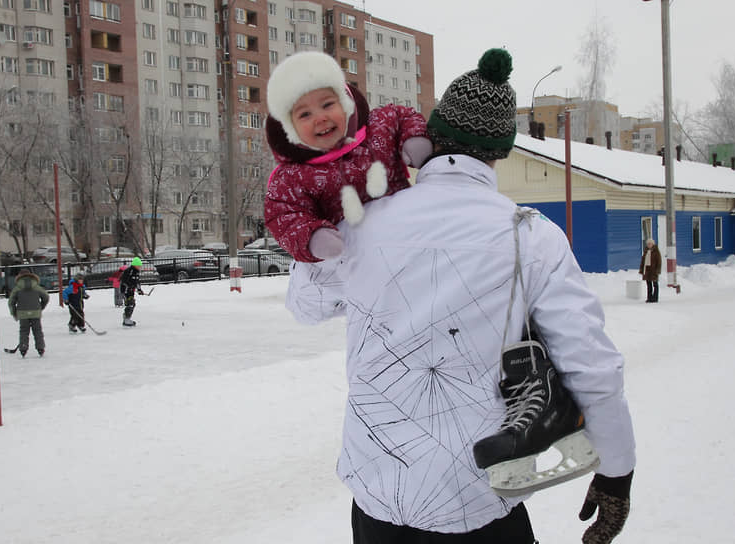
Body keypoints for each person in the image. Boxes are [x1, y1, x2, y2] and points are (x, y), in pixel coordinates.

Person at [284, 49, 636, 544]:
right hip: (484, 499)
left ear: (433, 133)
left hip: (379, 499)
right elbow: (591, 365)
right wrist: (616, 472)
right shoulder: (531, 235)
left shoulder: (362, 224)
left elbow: (305, 308)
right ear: (500, 151)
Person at [264, 51, 432, 263]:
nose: (320, 118)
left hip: (410, 238)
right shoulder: (293, 177)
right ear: (290, 128)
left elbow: (403, 116)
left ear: (345, 103)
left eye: (327, 105)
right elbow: (284, 215)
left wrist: (414, 139)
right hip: (357, 260)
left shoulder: (377, 128)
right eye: (305, 115)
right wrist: (312, 237)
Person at [8, 268, 49, 357]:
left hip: (22, 313)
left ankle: (23, 348)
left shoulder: (17, 288)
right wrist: (41, 307)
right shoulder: (36, 287)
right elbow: (46, 297)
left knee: (24, 331)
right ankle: (40, 348)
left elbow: (11, 302)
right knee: (37, 330)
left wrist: (14, 313)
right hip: (35, 312)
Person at [120, 256, 144, 327]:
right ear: (135, 265)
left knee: (132, 304)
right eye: (139, 266)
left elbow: (137, 282)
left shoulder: (137, 272)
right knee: (130, 303)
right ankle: (126, 319)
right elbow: (124, 280)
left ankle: (127, 317)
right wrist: (129, 286)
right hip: (125, 290)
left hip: (131, 291)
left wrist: (139, 290)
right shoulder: (129, 271)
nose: (140, 267)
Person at [638, 238, 661, 303]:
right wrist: (642, 270)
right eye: (648, 244)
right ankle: (649, 298)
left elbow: (659, 261)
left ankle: (655, 298)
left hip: (653, 270)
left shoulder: (656, 251)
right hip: (647, 270)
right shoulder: (646, 251)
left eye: (650, 244)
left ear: (652, 244)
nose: (648, 245)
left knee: (655, 284)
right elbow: (643, 261)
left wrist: (658, 270)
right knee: (649, 285)